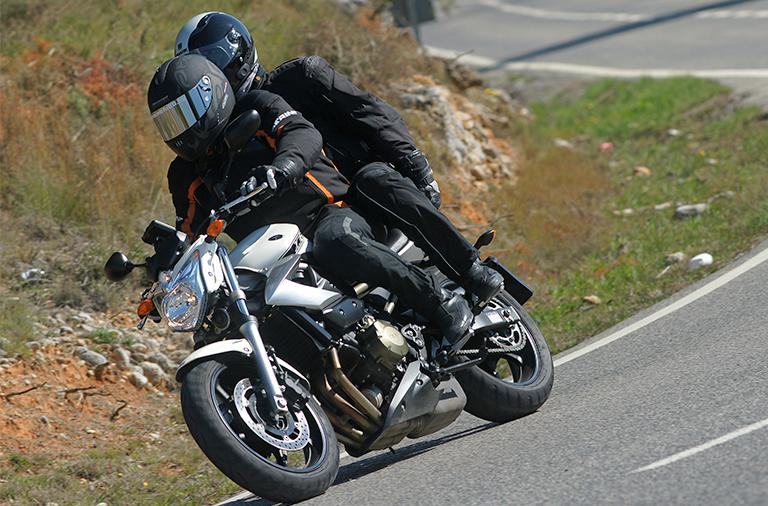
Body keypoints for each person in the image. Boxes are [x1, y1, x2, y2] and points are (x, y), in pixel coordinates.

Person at [172, 12, 503, 306]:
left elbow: (372, 114)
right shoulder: (220, 143)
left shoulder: (301, 77)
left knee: (375, 180)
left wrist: (414, 164)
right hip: (306, 231)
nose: (214, 74)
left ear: (238, 51)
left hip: (363, 190)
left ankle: (470, 269)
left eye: (214, 62)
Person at [148, 53, 472, 349]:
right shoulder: (184, 174)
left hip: (329, 213)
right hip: (274, 255)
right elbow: (189, 232)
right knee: (239, 309)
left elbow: (302, 134)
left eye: (185, 113)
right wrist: (165, 267)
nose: (181, 130)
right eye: (169, 122)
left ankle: (440, 302)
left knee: (337, 239)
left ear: (210, 97)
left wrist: (283, 167)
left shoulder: (257, 107)